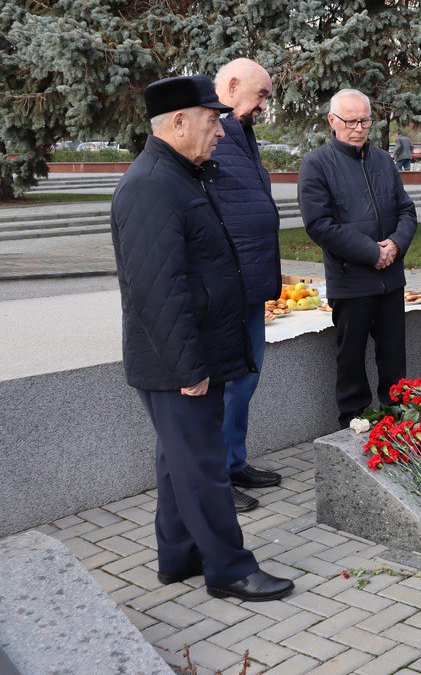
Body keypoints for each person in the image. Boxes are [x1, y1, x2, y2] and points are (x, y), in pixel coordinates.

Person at [110, 75, 293, 601]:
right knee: (204, 467)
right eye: (212, 120)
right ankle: (230, 568)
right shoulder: (150, 185)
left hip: (192, 353)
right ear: (178, 122)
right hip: (177, 363)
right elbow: (156, 291)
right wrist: (188, 369)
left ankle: (179, 557)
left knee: (178, 460)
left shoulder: (181, 174)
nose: (221, 130)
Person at [298, 89, 417, 429]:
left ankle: (398, 416)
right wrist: (371, 252)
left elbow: (406, 210)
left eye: (364, 120)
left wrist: (394, 245)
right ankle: (353, 420)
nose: (359, 128)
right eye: (350, 121)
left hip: (391, 279)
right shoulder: (317, 164)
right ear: (332, 121)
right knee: (351, 358)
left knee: (394, 356)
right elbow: (319, 224)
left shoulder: (382, 160)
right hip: (351, 280)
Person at [210, 58, 283, 513]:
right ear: (233, 86)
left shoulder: (241, 132)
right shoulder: (211, 132)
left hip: (252, 284)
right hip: (229, 288)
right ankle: (216, 478)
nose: (263, 105)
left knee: (247, 379)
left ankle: (235, 461)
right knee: (229, 385)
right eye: (260, 95)